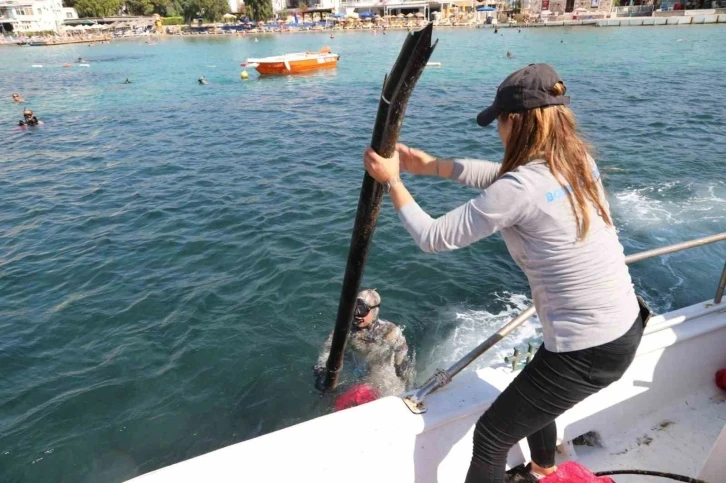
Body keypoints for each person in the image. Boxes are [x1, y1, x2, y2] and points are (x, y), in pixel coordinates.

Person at [363, 64, 646, 483]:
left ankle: (541, 467)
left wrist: (393, 182)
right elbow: (507, 182)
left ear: (516, 121)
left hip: (586, 347)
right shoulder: (575, 159)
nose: (496, 127)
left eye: (498, 118)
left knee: (492, 436)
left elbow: (433, 237)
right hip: (624, 325)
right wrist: (429, 166)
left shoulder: (521, 188)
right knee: (535, 396)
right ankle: (544, 469)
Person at [314, 289, 413, 395]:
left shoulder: (389, 331)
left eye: (362, 310)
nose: (357, 314)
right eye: (354, 308)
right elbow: (329, 348)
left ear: (375, 311)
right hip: (356, 369)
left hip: (381, 371)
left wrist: (404, 375)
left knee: (392, 392)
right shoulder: (346, 330)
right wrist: (322, 369)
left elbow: (401, 355)